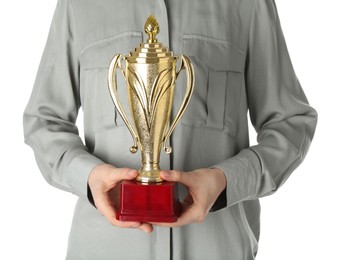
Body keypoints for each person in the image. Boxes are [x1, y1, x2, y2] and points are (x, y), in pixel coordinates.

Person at [23, 0, 317, 259]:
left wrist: (226, 181)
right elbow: (44, 121)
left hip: (218, 249)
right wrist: (88, 177)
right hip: (104, 250)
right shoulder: (78, 4)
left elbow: (291, 123)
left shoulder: (248, 4)